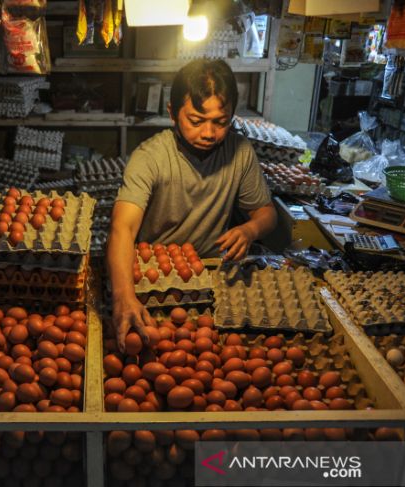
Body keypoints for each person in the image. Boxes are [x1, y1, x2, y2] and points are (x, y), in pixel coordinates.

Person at [107, 59, 277, 350]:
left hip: (210, 276)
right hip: (154, 278)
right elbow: (122, 227)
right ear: (172, 113)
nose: (209, 133)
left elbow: (267, 214)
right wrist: (124, 296)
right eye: (196, 120)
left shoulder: (239, 152)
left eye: (221, 122)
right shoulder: (150, 157)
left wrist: (250, 230)